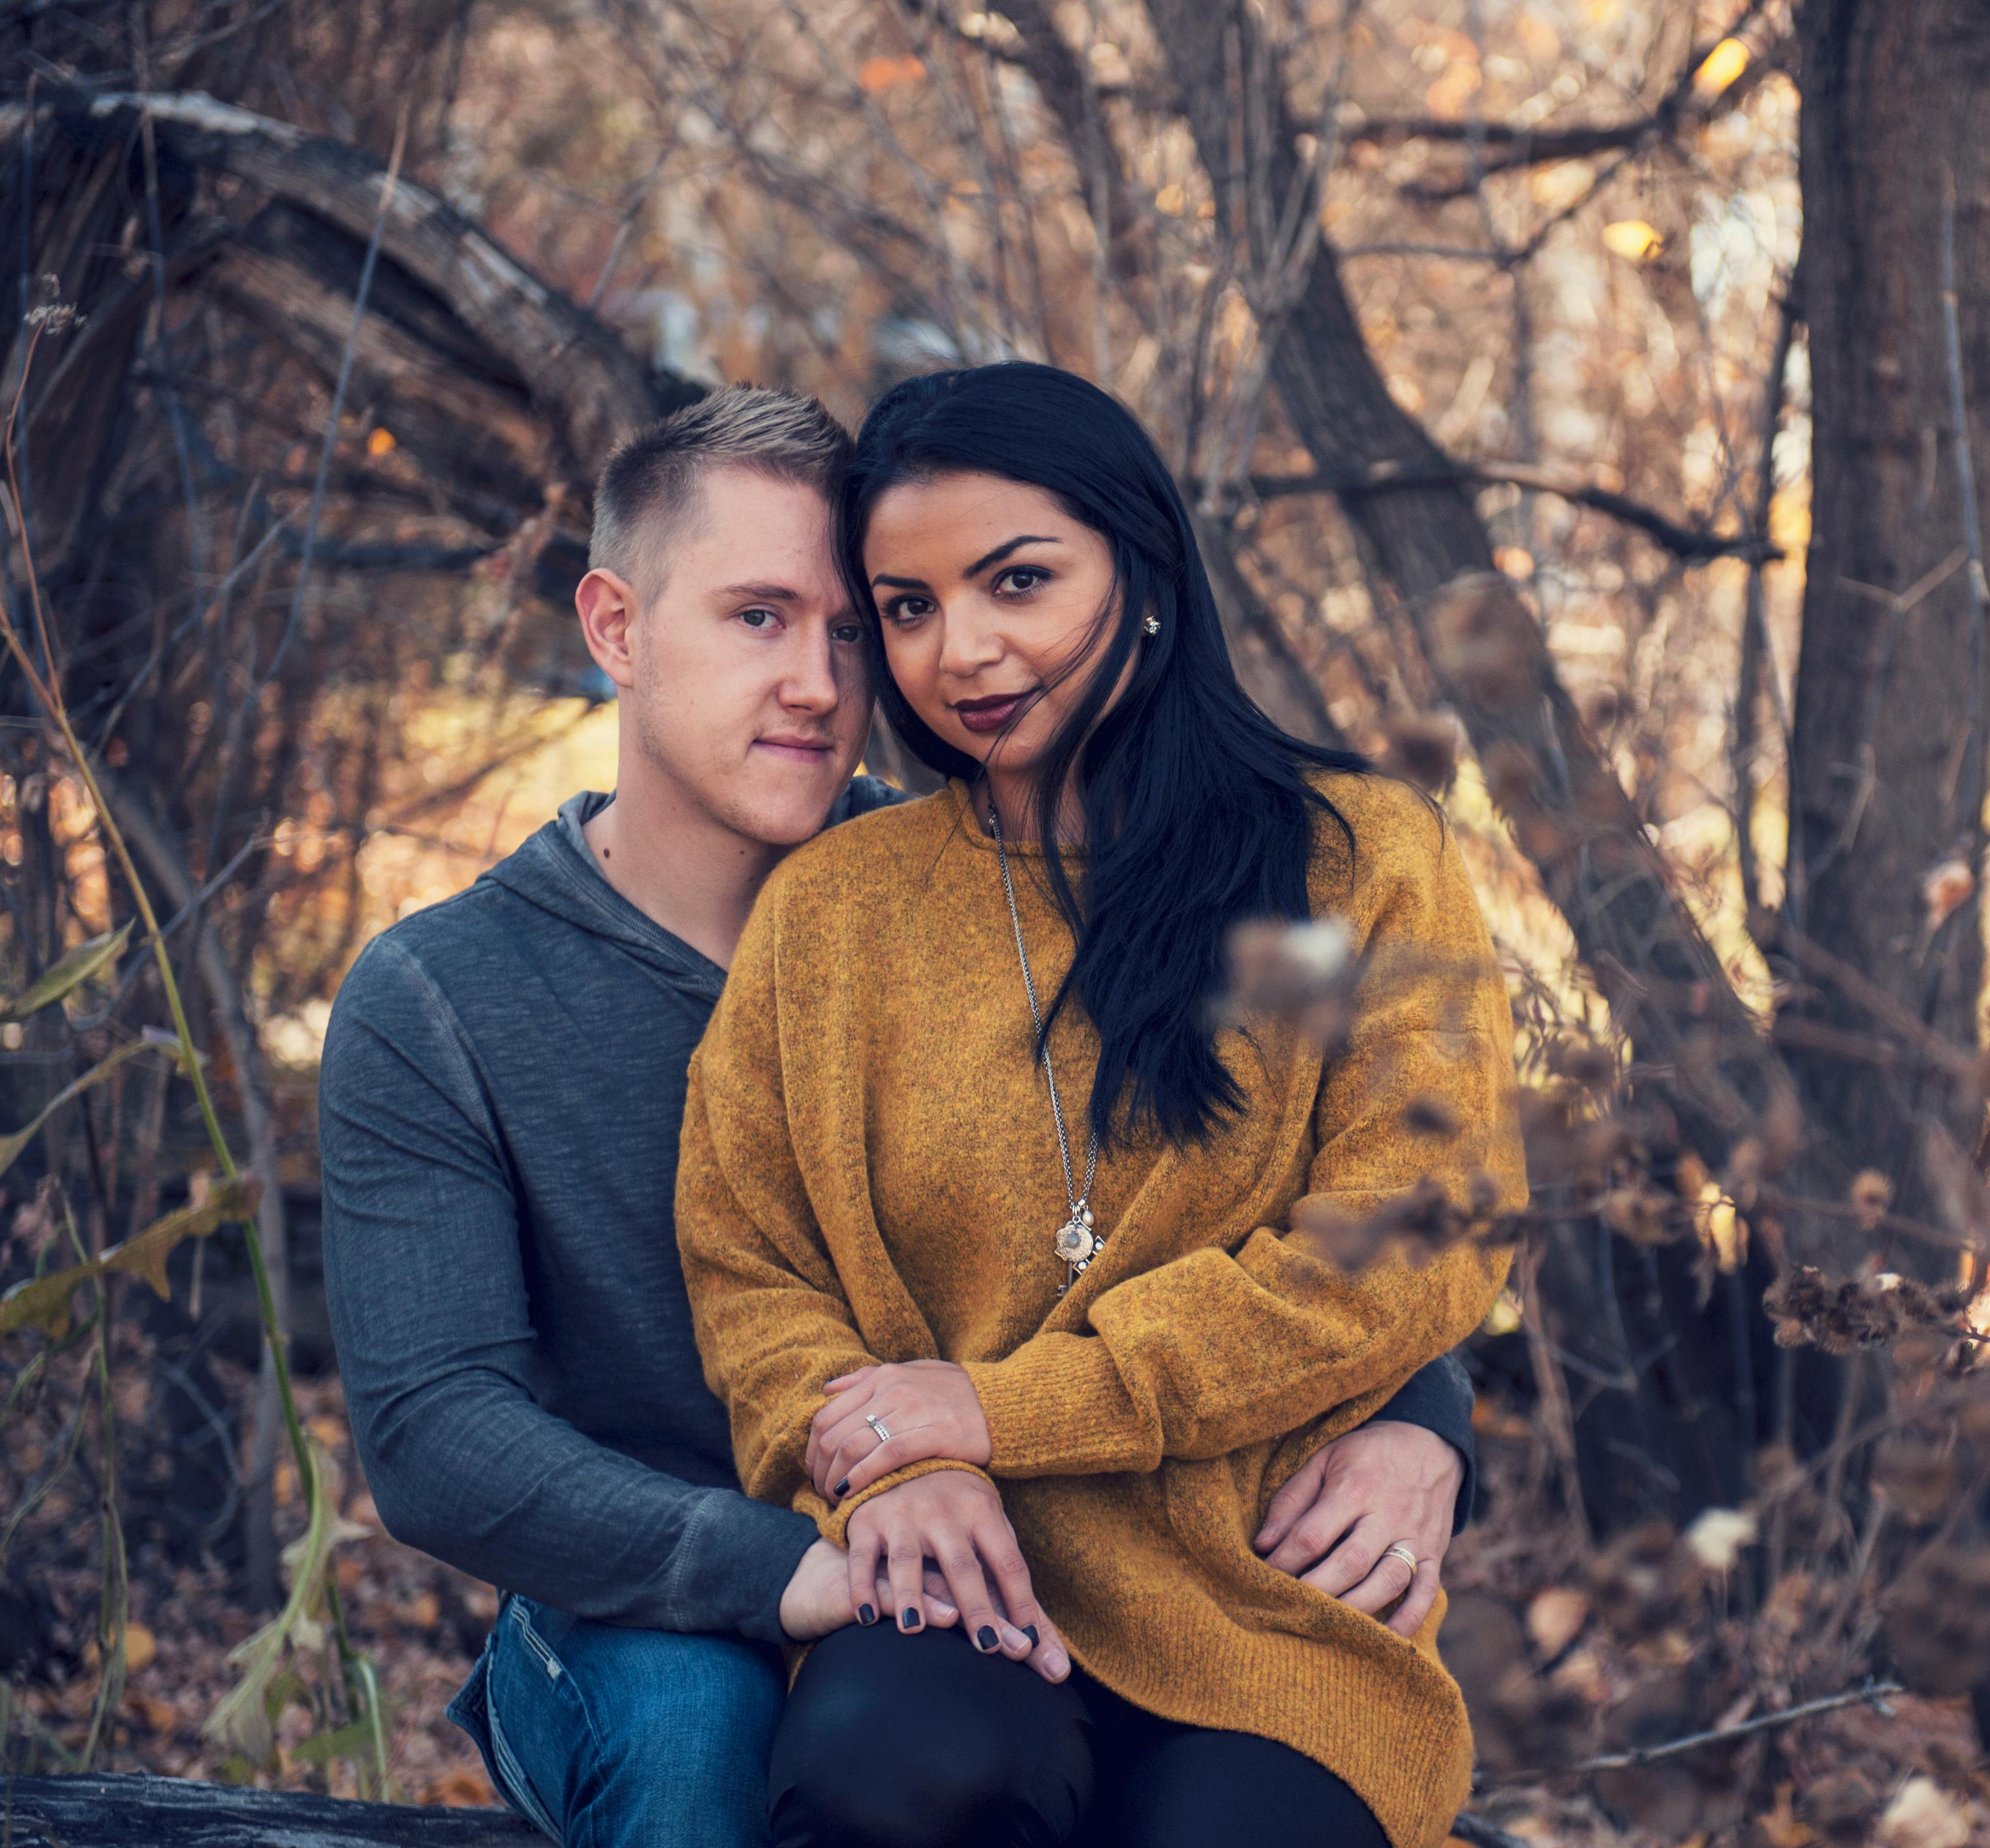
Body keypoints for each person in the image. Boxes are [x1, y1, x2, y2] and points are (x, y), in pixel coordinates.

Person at [319, 386, 1481, 1848]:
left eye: (854, 629)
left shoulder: (981, 858)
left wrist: (1425, 1418)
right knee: (706, 1750)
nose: (825, 679)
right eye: (758, 618)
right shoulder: (446, 992)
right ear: (615, 629)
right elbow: (436, 1434)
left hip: (1043, 1554)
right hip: (682, 1587)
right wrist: (812, 1546)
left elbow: (1374, 1208)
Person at [675, 362, 1523, 1848]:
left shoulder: (1361, 861)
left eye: (1019, 581)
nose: (965, 653)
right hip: (948, 1576)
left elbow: (1413, 1234)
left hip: (1266, 1594)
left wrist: (996, 1405)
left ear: (1140, 567)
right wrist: (907, 1457)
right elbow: (753, 1268)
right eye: (910, 609)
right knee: (888, 1785)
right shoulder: (833, 914)